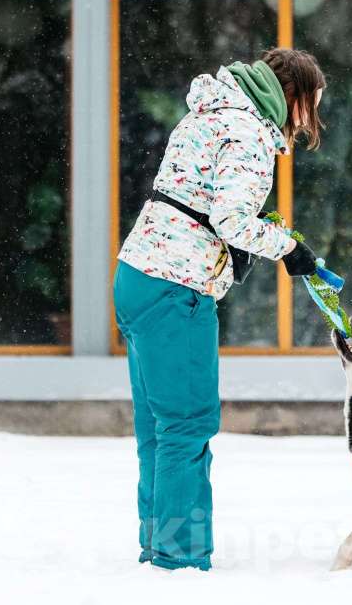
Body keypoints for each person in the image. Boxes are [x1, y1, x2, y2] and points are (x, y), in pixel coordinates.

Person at [113, 48, 326, 571]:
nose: (310, 120)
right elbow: (230, 219)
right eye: (312, 105)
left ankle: (158, 544)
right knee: (187, 425)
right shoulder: (250, 133)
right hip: (175, 285)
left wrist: (242, 246)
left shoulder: (208, 112)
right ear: (292, 97)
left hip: (138, 275)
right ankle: (179, 559)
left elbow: (199, 199)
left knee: (159, 428)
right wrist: (287, 249)